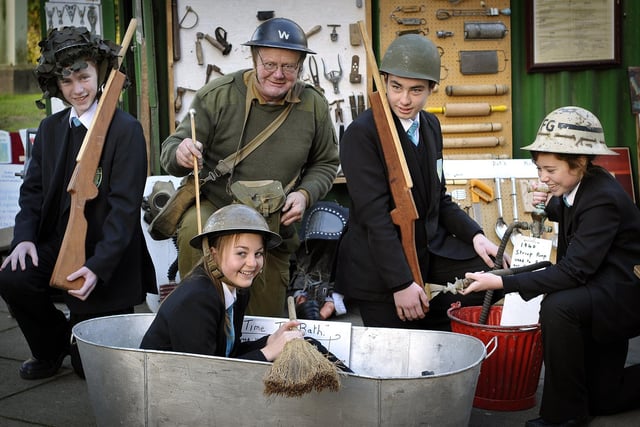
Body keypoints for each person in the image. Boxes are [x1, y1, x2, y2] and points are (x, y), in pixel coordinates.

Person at [462, 106, 640, 426]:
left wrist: (501, 283)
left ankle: (564, 415)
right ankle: (582, 400)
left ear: (580, 162)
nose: (542, 177)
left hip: (621, 296)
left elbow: (574, 271)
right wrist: (549, 202)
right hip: (599, 286)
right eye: (539, 168)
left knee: (559, 305)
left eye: (550, 170)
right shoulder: (579, 185)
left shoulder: (602, 197)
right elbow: (567, 211)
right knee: (605, 398)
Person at [0, 26, 156, 380]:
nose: (78, 89)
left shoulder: (125, 130)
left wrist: (99, 266)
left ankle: (78, 337)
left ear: (99, 71)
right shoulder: (52, 128)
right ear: (57, 84)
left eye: (84, 76)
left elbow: (124, 212)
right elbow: (33, 191)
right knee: (13, 277)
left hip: (107, 256)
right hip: (58, 243)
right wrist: (24, 237)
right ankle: (51, 345)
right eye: (67, 81)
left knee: (90, 371)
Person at [159, 17, 339, 317]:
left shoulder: (313, 105)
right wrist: (181, 152)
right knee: (193, 229)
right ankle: (196, 322)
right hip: (216, 211)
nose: (278, 74)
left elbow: (326, 162)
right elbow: (170, 150)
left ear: (301, 66)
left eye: (289, 67)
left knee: (262, 324)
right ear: (254, 58)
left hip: (272, 223)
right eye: (269, 64)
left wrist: (305, 194)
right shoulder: (218, 96)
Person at [334, 34, 503, 331]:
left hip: (426, 249)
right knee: (398, 354)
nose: (404, 100)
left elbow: (440, 198)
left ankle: (433, 320)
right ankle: (416, 314)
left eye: (416, 90)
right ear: (384, 80)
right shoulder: (362, 134)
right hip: (379, 265)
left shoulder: (430, 126)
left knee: (496, 274)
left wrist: (476, 236)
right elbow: (375, 219)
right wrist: (401, 283)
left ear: (432, 89)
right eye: (396, 87)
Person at [141, 204, 341, 365]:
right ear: (212, 253)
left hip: (208, 382)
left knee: (307, 344)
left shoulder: (238, 291)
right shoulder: (197, 298)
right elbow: (207, 374)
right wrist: (269, 352)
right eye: (241, 253)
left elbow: (229, 353)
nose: (252, 263)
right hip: (170, 389)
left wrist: (270, 341)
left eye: (258, 254)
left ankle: (355, 382)